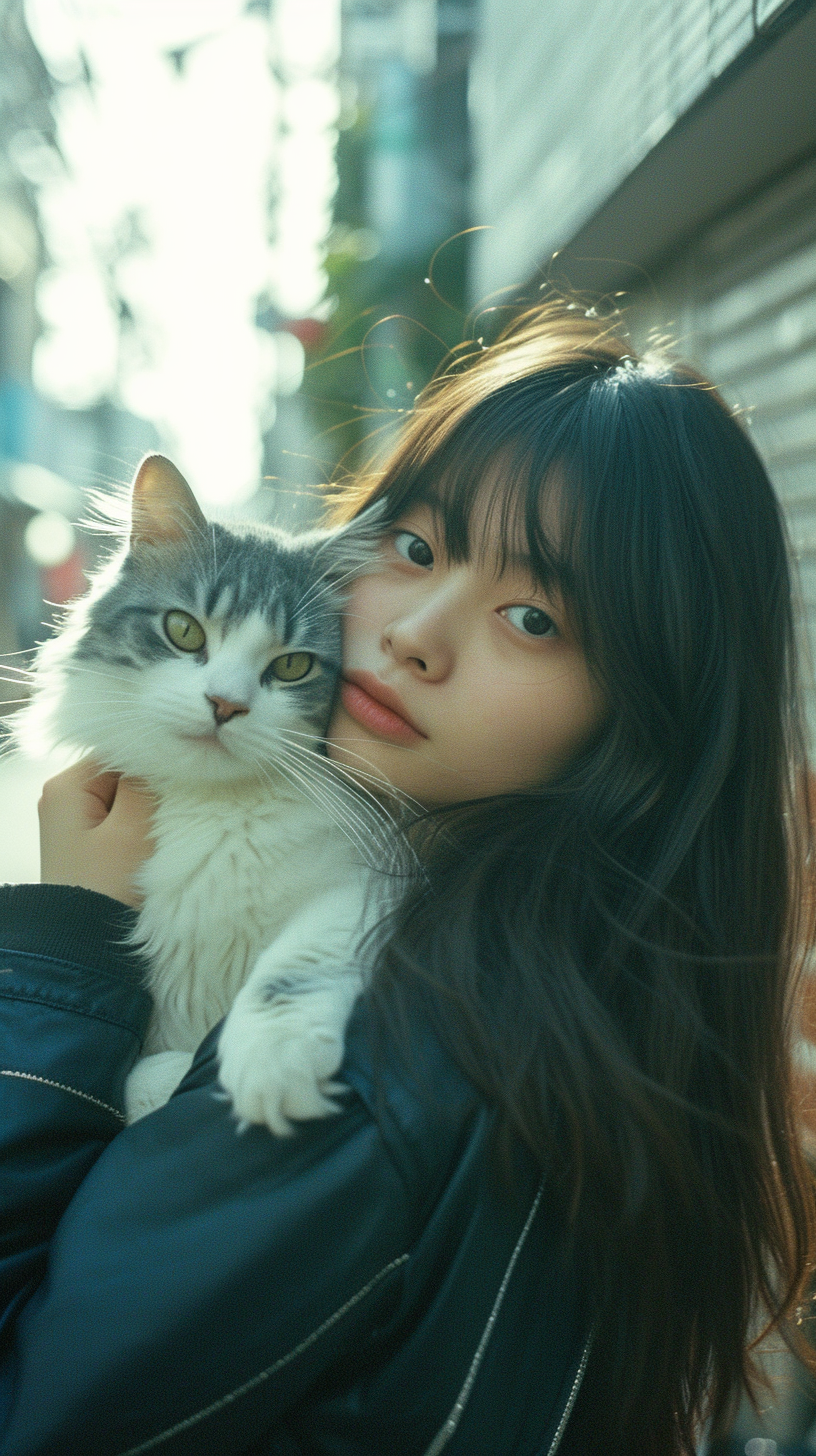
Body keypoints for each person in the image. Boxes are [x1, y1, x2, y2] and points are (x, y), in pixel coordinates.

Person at [1, 303, 814, 1456]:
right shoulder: (596, 1024)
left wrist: (59, 955)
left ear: (647, 719)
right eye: (420, 548)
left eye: (534, 615)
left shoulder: (371, 1065)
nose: (419, 634)